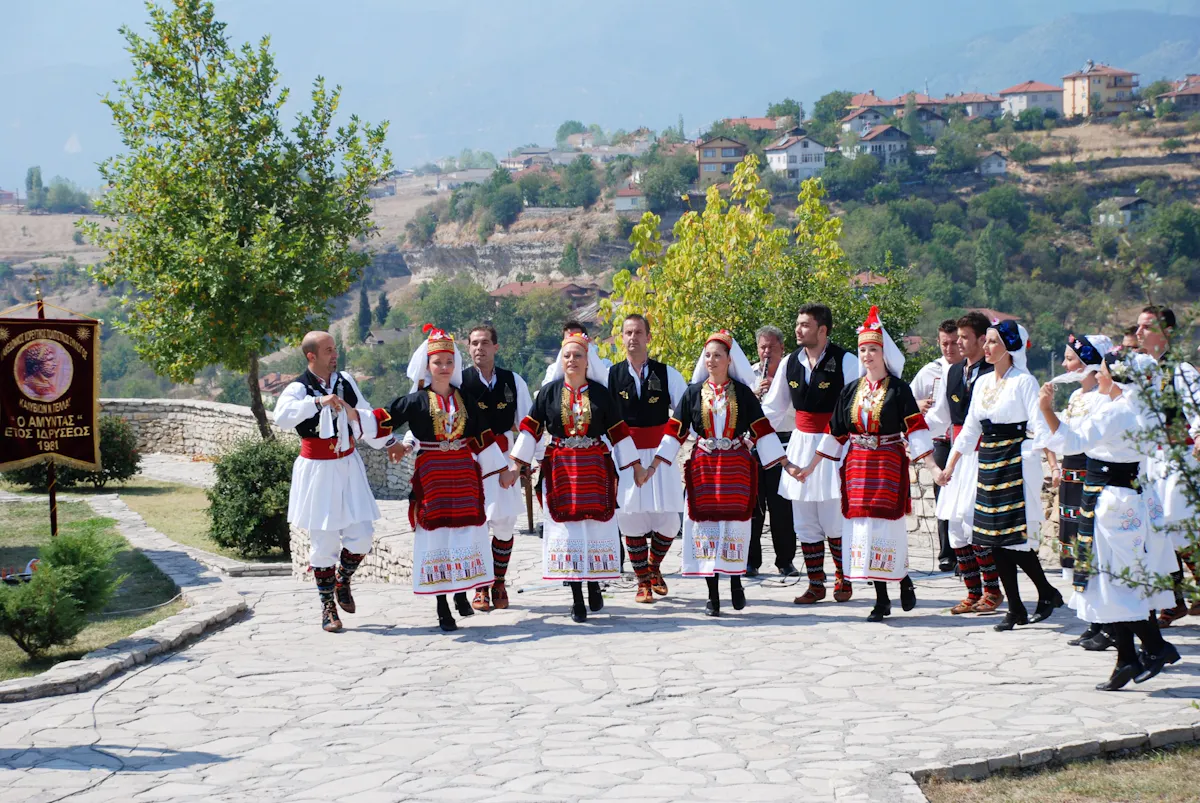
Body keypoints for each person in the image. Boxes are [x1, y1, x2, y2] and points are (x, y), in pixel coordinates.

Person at [1039, 354, 1180, 690]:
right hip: (1120, 496)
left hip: (1113, 502)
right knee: (1107, 579)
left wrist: (1046, 409)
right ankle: (1127, 658)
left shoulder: (1120, 410)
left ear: (1116, 378)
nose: (1097, 377)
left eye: (1101, 372)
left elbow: (1073, 442)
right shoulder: (1135, 406)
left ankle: (1157, 648)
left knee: (1115, 579)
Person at [370, 325, 514, 632]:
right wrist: (388, 441)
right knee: (437, 537)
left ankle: (461, 592)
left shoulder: (466, 400)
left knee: (463, 533)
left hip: (463, 473)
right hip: (433, 475)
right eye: (438, 363)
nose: (444, 368)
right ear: (428, 366)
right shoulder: (416, 401)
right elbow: (381, 420)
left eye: (449, 362)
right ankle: (441, 605)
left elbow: (482, 436)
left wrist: (501, 470)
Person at [803, 307, 938, 621]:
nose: (866, 355)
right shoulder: (851, 390)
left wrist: (932, 466)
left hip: (888, 463)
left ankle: (901, 579)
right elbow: (835, 431)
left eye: (872, 349)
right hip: (858, 466)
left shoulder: (899, 390)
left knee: (886, 529)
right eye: (862, 349)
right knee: (864, 531)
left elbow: (915, 429)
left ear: (883, 353)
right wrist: (811, 466)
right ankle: (881, 598)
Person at [938, 320, 1064, 632]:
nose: (987, 347)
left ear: (1009, 347)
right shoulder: (982, 384)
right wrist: (951, 465)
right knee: (993, 541)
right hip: (989, 461)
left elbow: (1039, 425)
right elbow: (970, 429)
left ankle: (1043, 594)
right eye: (987, 341)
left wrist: (1054, 463)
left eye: (993, 342)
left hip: (1017, 464)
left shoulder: (1024, 382)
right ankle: (1022, 605)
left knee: (1014, 540)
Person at [655, 330, 788, 616]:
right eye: (707, 356)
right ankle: (712, 594)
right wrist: (655, 464)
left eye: (717, 355)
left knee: (735, 527)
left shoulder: (741, 394)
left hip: (736, 466)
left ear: (729, 360)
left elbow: (762, 428)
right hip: (704, 466)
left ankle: (736, 581)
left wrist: (784, 463)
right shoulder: (693, 393)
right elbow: (675, 430)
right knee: (706, 530)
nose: (711, 360)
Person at [512, 332, 638, 623]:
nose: (572, 360)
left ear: (587, 361)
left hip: (594, 465)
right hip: (561, 468)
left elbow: (618, 431)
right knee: (568, 532)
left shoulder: (602, 394)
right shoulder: (549, 393)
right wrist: (515, 464)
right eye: (567, 356)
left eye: (577, 355)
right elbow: (531, 429)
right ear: (561, 360)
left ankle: (595, 584)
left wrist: (635, 466)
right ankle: (577, 597)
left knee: (594, 526)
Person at [274, 331, 383, 633]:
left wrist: (389, 443)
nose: (335, 355)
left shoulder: (345, 381)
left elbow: (365, 413)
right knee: (323, 541)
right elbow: (281, 417)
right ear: (312, 356)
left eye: (335, 349)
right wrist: (318, 402)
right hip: (318, 470)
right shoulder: (299, 387)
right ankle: (327, 607)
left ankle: (342, 579)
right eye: (328, 351)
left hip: (348, 465)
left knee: (362, 535)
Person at [762, 303, 860, 604]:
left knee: (833, 516)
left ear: (822, 330)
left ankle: (844, 578)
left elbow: (856, 406)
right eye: (797, 323)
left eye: (805, 324)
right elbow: (774, 409)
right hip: (801, 444)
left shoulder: (846, 361)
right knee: (804, 518)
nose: (798, 329)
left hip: (836, 443)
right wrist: (753, 434)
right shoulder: (791, 361)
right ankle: (816, 583)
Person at [924, 312, 1003, 615]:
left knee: (974, 524)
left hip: (983, 455)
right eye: (957, 337)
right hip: (958, 455)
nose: (958, 342)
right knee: (955, 526)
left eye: (965, 337)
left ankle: (993, 591)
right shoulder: (953, 372)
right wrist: (912, 430)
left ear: (983, 339)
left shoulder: (994, 373)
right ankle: (973, 592)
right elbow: (941, 417)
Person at [607, 314, 688, 604]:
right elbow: (603, 416)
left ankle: (653, 568)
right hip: (625, 454)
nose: (633, 338)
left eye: (638, 332)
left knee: (667, 521)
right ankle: (642, 582)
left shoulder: (668, 374)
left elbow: (684, 413)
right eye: (628, 332)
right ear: (622, 338)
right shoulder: (610, 376)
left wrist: (670, 449)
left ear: (648, 337)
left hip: (659, 454)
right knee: (630, 517)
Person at [461, 324, 532, 612]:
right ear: (468, 348)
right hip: (471, 461)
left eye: (486, 343)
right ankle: (480, 587)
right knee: (475, 525)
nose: (480, 348)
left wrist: (518, 465)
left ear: (496, 347)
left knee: (503, 525)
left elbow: (530, 425)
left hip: (504, 460)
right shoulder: (459, 382)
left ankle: (499, 581)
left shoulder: (512, 381)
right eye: (475, 343)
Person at [1136, 305, 1200, 627]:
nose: (1138, 333)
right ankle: (1174, 599)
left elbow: (1196, 408)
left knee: (1176, 523)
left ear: (1167, 332)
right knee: (1159, 529)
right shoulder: (1145, 371)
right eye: (1139, 327)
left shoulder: (1181, 369)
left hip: (1179, 458)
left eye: (1146, 327)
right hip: (1153, 460)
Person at [1047, 334, 1113, 584]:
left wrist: (1046, 411)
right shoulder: (1076, 396)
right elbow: (1060, 436)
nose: (1064, 365)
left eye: (1069, 359)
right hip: (1071, 474)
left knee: (1090, 534)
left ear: (1087, 362)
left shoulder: (1102, 399)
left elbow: (1077, 439)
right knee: (1072, 531)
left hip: (1090, 473)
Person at [910, 319, 963, 572]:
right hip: (941, 440)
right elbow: (906, 400)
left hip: (967, 441)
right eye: (945, 344)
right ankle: (946, 553)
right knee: (943, 493)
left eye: (954, 343)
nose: (950, 349)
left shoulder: (972, 369)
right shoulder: (930, 370)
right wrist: (918, 404)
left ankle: (969, 549)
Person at [748, 325, 796, 578]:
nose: (766, 352)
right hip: (755, 445)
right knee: (754, 506)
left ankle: (785, 560)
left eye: (772, 347)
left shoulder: (792, 373)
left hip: (785, 444)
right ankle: (751, 560)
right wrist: (756, 395)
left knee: (782, 508)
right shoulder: (750, 374)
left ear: (782, 348)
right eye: (762, 347)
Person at [541, 319, 612, 390]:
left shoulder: (605, 365)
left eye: (577, 338)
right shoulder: (553, 370)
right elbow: (547, 392)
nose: (573, 342)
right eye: (569, 339)